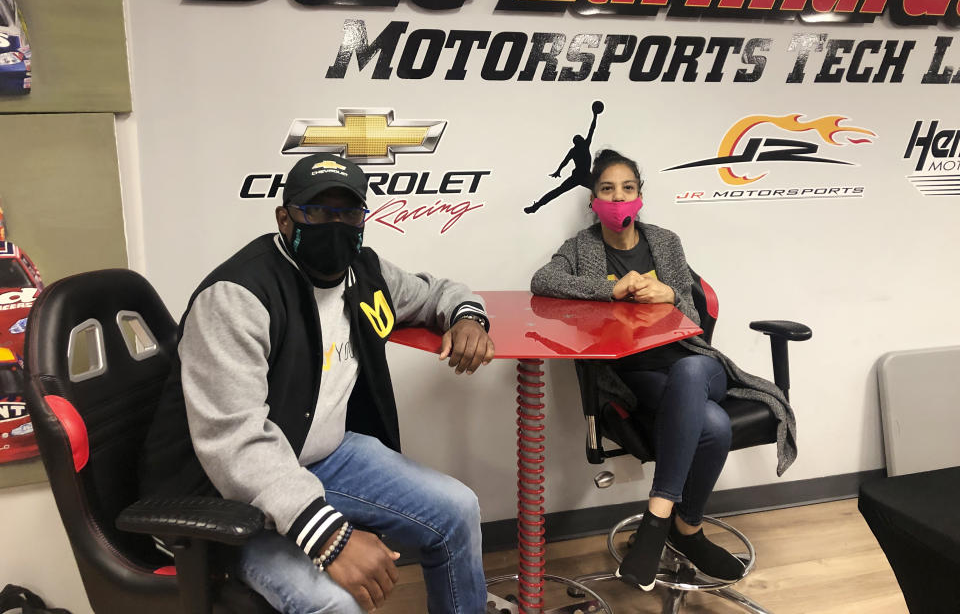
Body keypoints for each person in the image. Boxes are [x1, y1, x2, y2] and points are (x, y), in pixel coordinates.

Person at [139, 153, 496, 614]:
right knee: (331, 603)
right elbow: (234, 443)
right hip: (217, 492)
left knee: (457, 509)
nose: (336, 224)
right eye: (318, 212)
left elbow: (436, 292)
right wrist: (330, 537)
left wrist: (468, 317)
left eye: (348, 212)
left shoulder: (366, 274)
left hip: (322, 456)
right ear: (284, 219)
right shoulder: (237, 297)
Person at [530, 149, 796, 592]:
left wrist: (670, 294)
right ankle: (687, 528)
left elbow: (693, 313)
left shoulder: (665, 242)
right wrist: (611, 288)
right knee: (712, 425)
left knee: (692, 373)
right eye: (607, 190)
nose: (619, 198)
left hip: (692, 360)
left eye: (628, 188)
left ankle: (656, 519)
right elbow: (543, 281)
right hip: (636, 376)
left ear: (640, 195)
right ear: (593, 200)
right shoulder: (581, 247)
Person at [524, 101, 603, 214]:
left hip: (582, 176)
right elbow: (591, 129)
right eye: (579, 138)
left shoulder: (577, 149)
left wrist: (558, 170)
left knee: (559, 191)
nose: (581, 137)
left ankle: (536, 206)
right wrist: (595, 116)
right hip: (581, 176)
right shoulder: (582, 146)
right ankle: (536, 206)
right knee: (600, 191)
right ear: (578, 142)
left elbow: (564, 162)